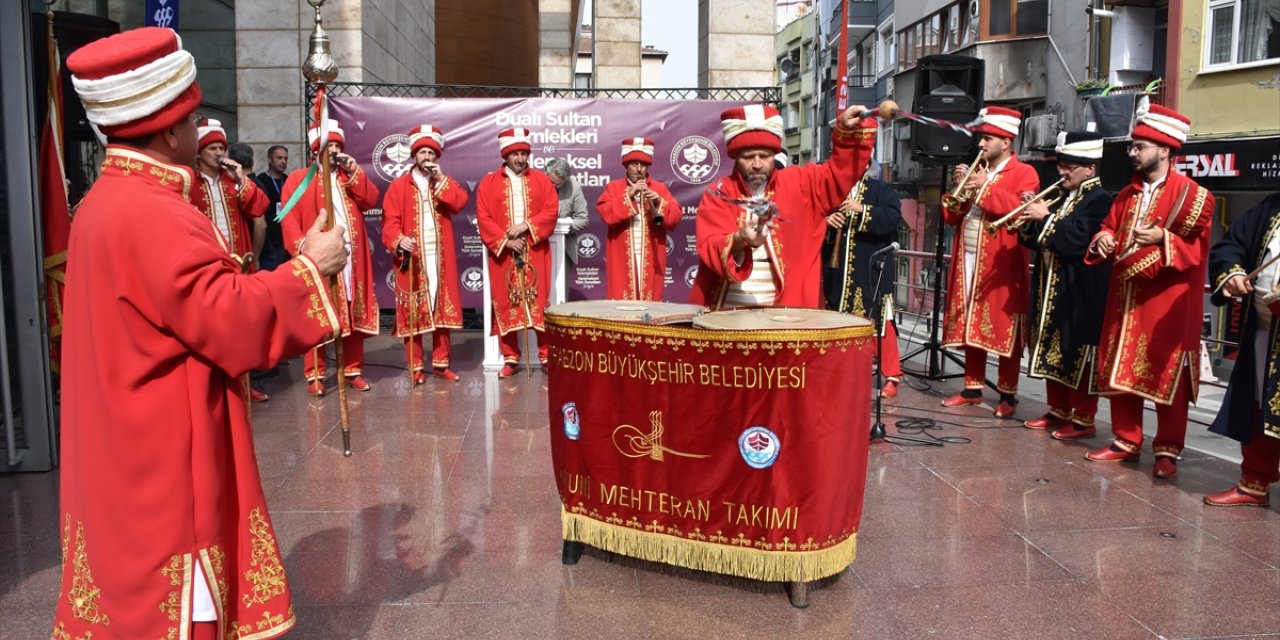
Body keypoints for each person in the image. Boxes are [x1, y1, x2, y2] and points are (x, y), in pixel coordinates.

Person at [54, 26, 349, 640]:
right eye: (194, 119)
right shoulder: (157, 214)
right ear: (168, 129)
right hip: (165, 453)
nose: (200, 133)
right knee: (179, 609)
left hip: (120, 442)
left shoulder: (104, 202)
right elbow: (232, 322)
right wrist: (309, 270)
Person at [1083, 104, 1213, 478]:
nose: (1133, 153)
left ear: (1166, 150)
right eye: (1133, 146)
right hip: (1124, 297)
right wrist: (1104, 239)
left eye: (1140, 146)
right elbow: (1108, 226)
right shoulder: (1126, 193)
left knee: (1165, 374)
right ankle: (1126, 439)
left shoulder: (1194, 195)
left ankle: (1168, 449)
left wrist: (1162, 238)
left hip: (1166, 299)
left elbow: (1199, 251)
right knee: (1121, 365)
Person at [690, 104, 878, 309]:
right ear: (735, 157)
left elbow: (839, 174)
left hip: (788, 308)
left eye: (765, 155)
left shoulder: (802, 183)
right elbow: (708, 244)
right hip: (728, 307)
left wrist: (848, 134)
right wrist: (739, 239)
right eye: (748, 157)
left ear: (775, 155)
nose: (757, 164)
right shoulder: (720, 192)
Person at [938, 106, 1038, 418]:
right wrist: (959, 189)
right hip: (968, 257)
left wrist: (983, 186)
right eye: (982, 139)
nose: (981, 144)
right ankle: (972, 387)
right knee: (971, 319)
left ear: (1006, 142)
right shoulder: (977, 169)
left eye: (988, 139)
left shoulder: (1025, 173)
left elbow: (1019, 213)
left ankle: (1008, 395)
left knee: (1004, 326)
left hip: (1001, 263)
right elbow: (952, 216)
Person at [1013, 131, 1114, 439]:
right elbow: (1034, 240)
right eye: (1061, 164)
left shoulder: (1101, 200)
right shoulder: (1062, 196)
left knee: (1079, 352)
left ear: (1090, 169)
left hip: (1081, 290)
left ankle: (1084, 418)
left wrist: (1044, 217)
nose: (1062, 171)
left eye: (1070, 165)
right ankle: (1057, 410)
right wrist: (1029, 218)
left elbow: (1075, 240)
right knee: (1050, 347)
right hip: (1050, 286)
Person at [282, 118, 381, 396]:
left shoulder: (348, 178)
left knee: (351, 309)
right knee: (317, 311)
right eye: (329, 146)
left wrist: (354, 173)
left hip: (352, 257)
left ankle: (353, 369)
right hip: (318, 256)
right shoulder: (299, 179)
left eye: (338, 146)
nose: (334, 151)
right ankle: (315, 373)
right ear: (317, 150)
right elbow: (288, 218)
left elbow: (371, 199)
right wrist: (301, 248)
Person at [1204, 192, 1280, 506]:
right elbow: (1231, 244)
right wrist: (1232, 272)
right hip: (1263, 331)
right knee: (1260, 406)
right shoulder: (1271, 206)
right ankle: (1254, 483)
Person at [381, 125, 470, 384]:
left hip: (439, 258)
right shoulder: (398, 186)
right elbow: (389, 222)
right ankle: (416, 367)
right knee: (413, 311)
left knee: (441, 310)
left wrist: (442, 179)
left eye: (432, 152)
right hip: (413, 258)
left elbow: (459, 202)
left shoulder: (443, 182)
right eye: (422, 152)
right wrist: (399, 240)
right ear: (414, 155)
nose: (427, 157)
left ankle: (441, 365)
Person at [475, 127, 559, 377]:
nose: (521, 159)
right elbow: (484, 216)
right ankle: (510, 357)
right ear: (506, 155)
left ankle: (546, 356)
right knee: (505, 302)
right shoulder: (488, 182)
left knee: (538, 302)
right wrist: (505, 241)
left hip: (535, 250)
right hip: (504, 254)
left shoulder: (542, 180)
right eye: (516, 154)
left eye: (524, 153)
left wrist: (527, 226)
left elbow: (551, 210)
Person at [821, 160, 904, 397]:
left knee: (880, 321)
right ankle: (847, 372)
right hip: (838, 271)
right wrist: (826, 222)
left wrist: (862, 210)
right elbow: (812, 216)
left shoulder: (881, 189)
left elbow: (892, 217)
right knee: (840, 322)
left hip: (871, 268)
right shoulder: (831, 190)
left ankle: (891, 375)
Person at [597, 137, 682, 300]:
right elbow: (605, 211)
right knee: (622, 297)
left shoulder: (660, 188)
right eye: (634, 164)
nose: (639, 169)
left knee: (649, 296)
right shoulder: (614, 187)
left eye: (643, 165)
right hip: (622, 253)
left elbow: (676, 216)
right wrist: (629, 193)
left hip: (651, 253)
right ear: (626, 166)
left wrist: (658, 201)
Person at [252, 144, 292, 271]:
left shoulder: (289, 180)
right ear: (270, 159)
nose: (283, 162)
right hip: (268, 241)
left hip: (286, 238)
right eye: (279, 158)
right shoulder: (261, 180)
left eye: (285, 158)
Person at [227, 141, 267, 267]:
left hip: (254, 253)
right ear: (253, 161)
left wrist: (254, 257)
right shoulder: (259, 182)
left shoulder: (251, 186)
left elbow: (260, 224)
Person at [545, 157, 589, 265]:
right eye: (551, 181)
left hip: (564, 247)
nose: (553, 186)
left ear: (566, 179)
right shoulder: (535, 184)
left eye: (559, 184)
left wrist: (564, 227)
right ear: (546, 173)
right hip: (538, 245)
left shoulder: (574, 187)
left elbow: (583, 219)